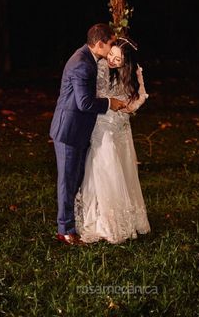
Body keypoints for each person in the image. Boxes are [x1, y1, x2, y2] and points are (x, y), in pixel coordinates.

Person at [50, 24, 127, 245]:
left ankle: (74, 223)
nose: (112, 48)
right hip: (69, 131)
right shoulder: (81, 64)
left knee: (75, 179)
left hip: (79, 130)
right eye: (111, 43)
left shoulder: (90, 58)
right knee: (67, 181)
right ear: (100, 44)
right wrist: (111, 103)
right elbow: (84, 103)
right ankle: (65, 231)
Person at [75, 36, 151, 244]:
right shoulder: (99, 67)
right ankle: (105, 222)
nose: (112, 60)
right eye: (112, 55)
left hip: (122, 127)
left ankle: (127, 219)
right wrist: (109, 104)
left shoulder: (134, 72)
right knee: (105, 169)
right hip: (102, 125)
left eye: (118, 59)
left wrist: (130, 107)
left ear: (127, 62)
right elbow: (90, 98)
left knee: (123, 171)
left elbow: (141, 95)